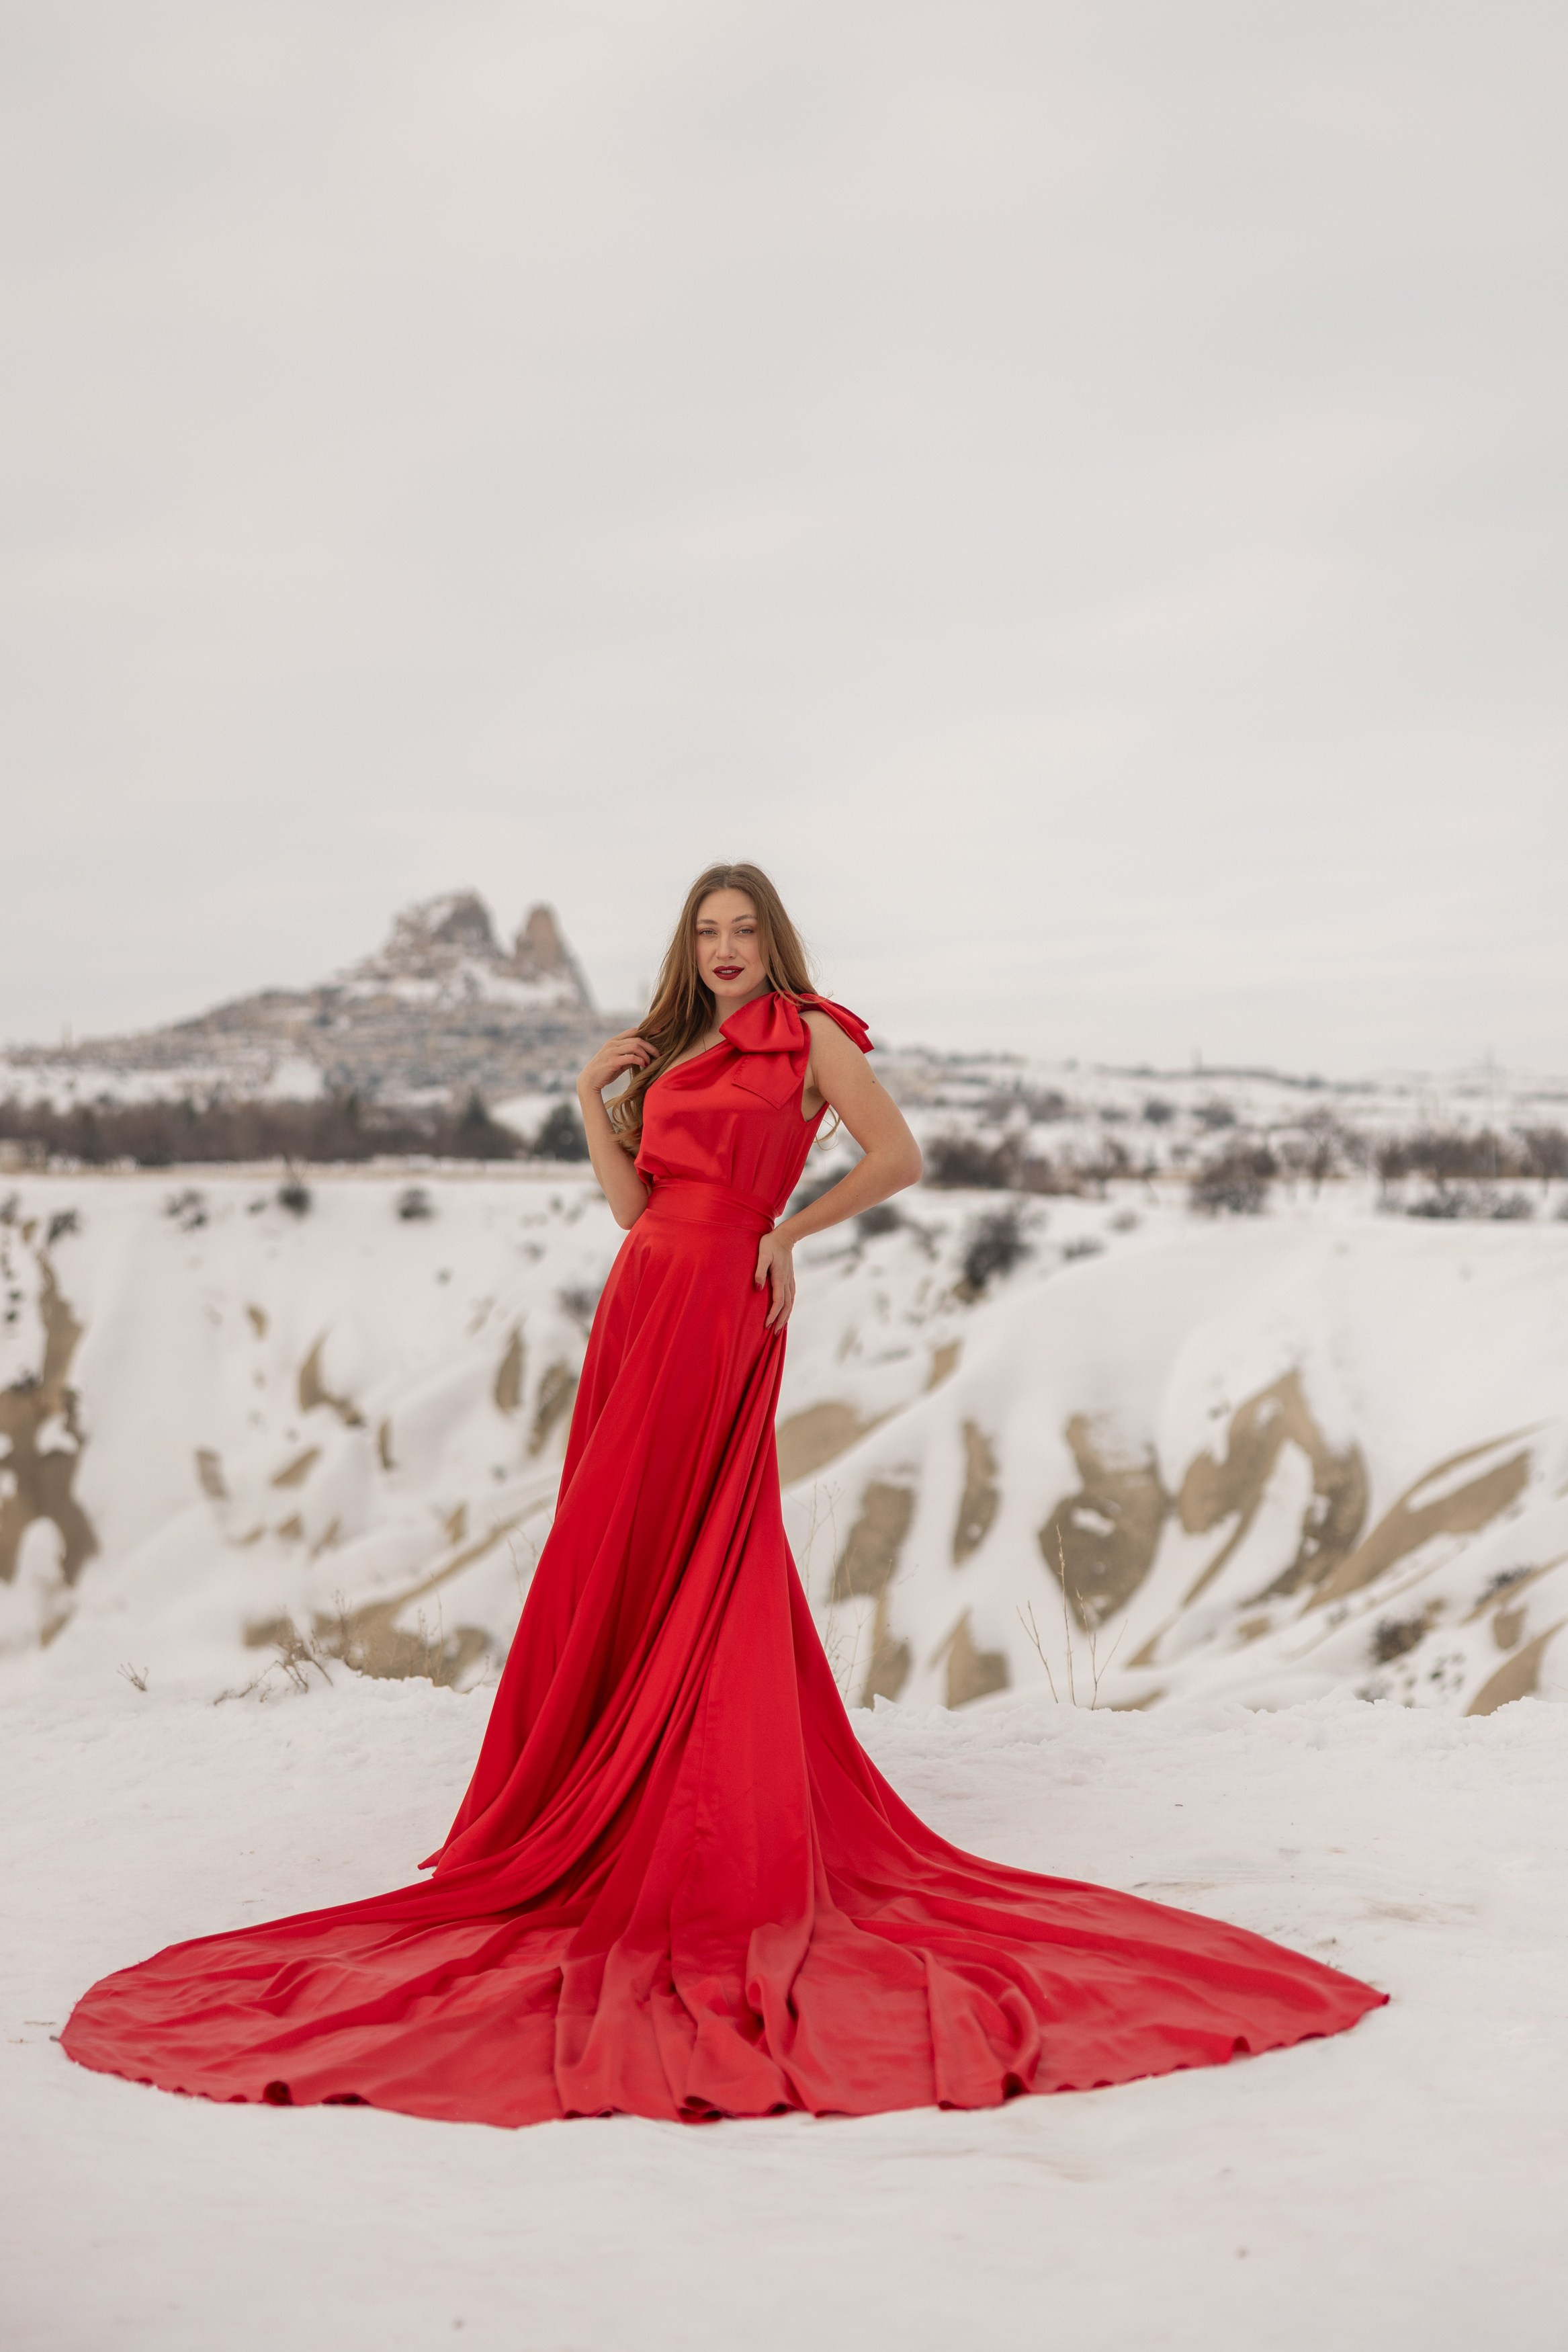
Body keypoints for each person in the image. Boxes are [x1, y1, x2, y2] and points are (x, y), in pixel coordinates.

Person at [62, 864, 1383, 2124]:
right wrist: (594, 1097)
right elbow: (634, 1203)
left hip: (724, 1302)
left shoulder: (807, 1035)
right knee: (616, 1545)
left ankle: (689, 1795)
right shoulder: (676, 1051)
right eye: (707, 930)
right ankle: (603, 1778)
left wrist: (787, 1232)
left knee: (708, 1548)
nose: (725, 948)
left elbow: (898, 1155)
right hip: (645, 1296)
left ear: (776, 937)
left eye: (742, 926)